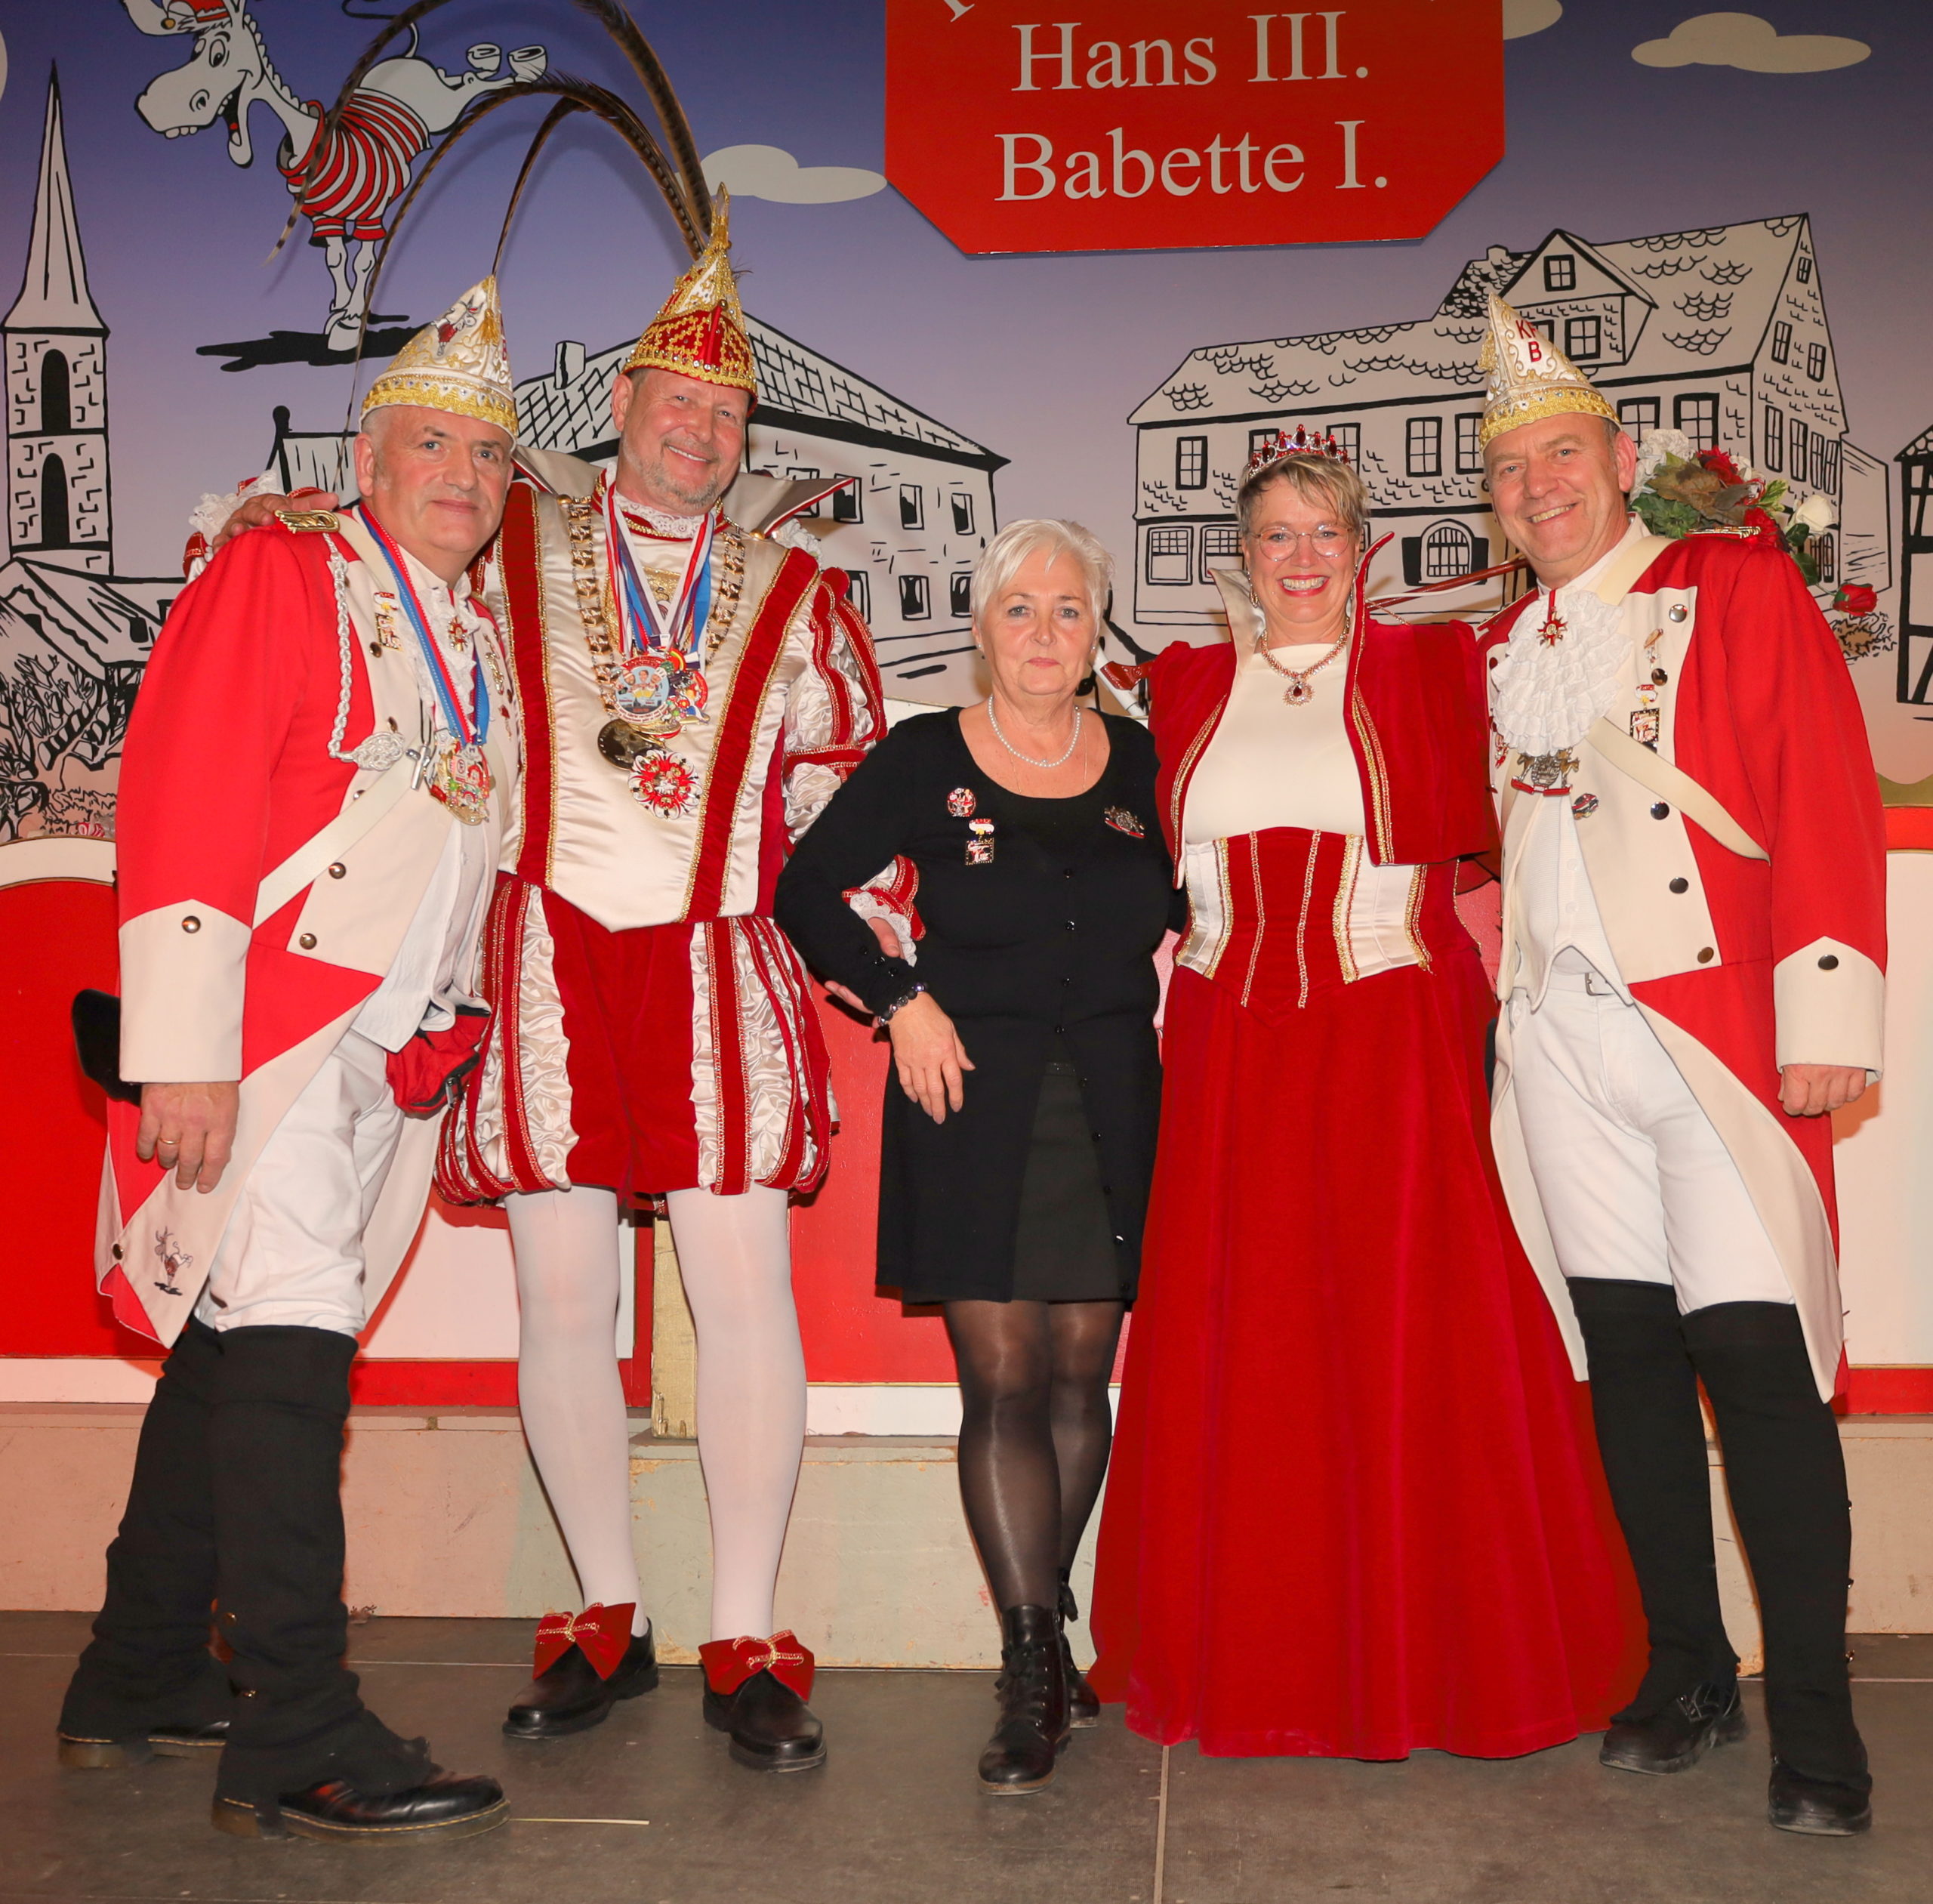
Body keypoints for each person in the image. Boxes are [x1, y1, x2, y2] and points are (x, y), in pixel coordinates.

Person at [216, 198, 898, 1771]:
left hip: (718, 954)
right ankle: (605, 1611)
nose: (699, 432)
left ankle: (745, 1628)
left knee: (743, 1290)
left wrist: (875, 949)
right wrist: (284, 519)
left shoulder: (797, 594)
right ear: (623, 407)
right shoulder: (510, 543)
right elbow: (381, 573)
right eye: (676, 403)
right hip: (545, 955)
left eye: (725, 414)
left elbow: (840, 796)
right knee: (563, 1297)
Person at [1089, 429, 1636, 1762]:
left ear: (1364, 550)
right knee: (1245, 1343)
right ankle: (1248, 1651)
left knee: (1403, 1335)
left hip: (1388, 1038)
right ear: (1242, 554)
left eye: (1324, 533)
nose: (1301, 558)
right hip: (1228, 1051)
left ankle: (1420, 1657)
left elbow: (1550, 798)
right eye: (1276, 535)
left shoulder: (1435, 669)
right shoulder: (1182, 684)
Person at [58, 282, 522, 1841]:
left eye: (487, 453)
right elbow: (182, 792)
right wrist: (185, 1053)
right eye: (431, 443)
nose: (463, 473)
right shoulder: (280, 571)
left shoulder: (470, 630)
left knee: (229, 1336)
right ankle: (297, 1730)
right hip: (267, 1037)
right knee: (291, 1348)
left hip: (375, 1053)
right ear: (368, 458)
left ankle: (134, 1672)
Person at [1473, 295, 1885, 1835]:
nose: (1538, 489)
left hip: (1708, 1035)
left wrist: (1825, 1012)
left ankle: (1819, 1727)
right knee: (1630, 1365)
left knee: (1758, 1370)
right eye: (1510, 470)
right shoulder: (1506, 646)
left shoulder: (1731, 580)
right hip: (1558, 1046)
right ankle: (1687, 1668)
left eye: (1560, 456)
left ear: (1618, 457)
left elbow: (1820, 782)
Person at [774, 520, 1178, 1791]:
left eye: (1070, 610)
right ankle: (1029, 1663)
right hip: (968, 1095)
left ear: (1096, 629)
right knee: (1002, 1383)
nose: (1045, 633)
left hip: (1112, 1097)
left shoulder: (1148, 759)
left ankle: (1047, 1618)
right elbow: (803, 886)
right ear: (982, 625)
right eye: (1020, 608)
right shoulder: (923, 757)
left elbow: (1204, 898)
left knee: (1081, 1378)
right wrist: (899, 998)